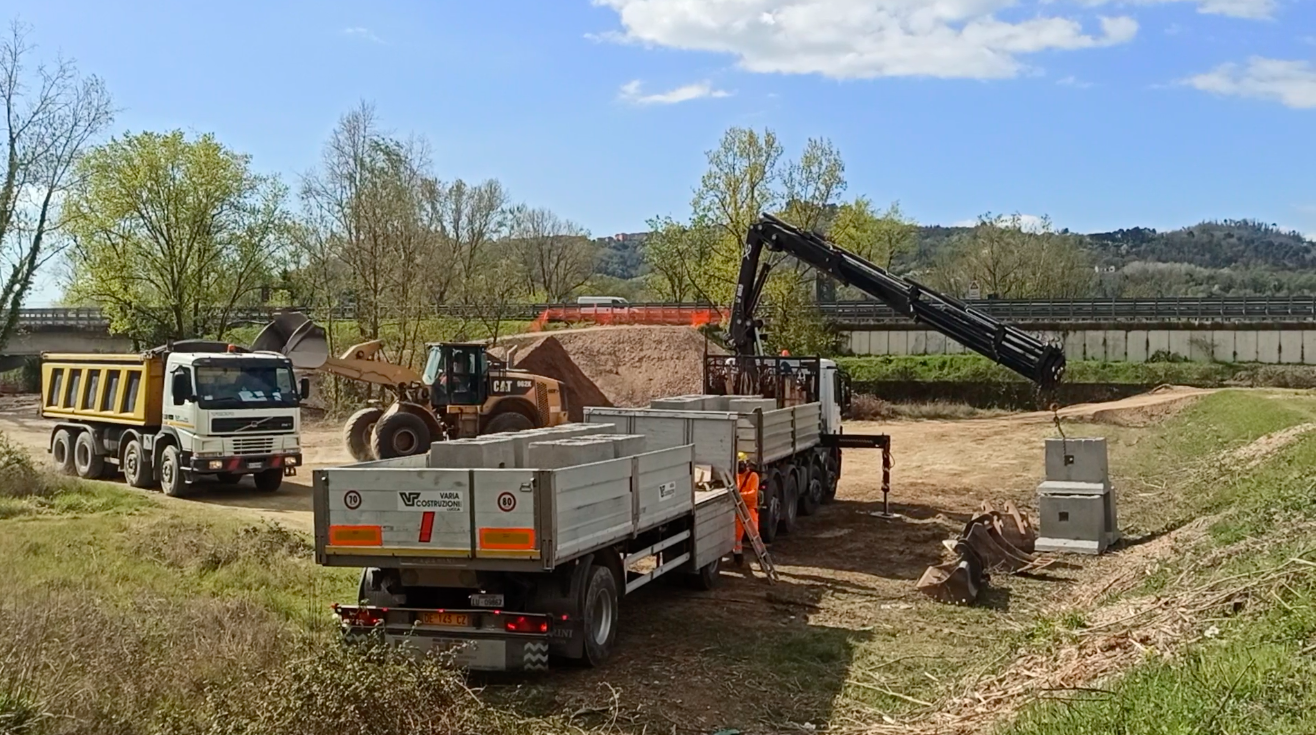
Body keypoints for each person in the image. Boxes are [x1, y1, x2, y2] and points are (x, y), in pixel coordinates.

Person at [733, 451, 760, 567]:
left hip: (750, 508)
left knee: (754, 534)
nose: (739, 467)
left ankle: (760, 556)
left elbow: (752, 495)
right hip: (739, 510)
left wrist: (739, 496)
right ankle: (738, 557)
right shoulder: (735, 476)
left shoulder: (753, 476)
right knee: (737, 536)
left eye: (741, 464)